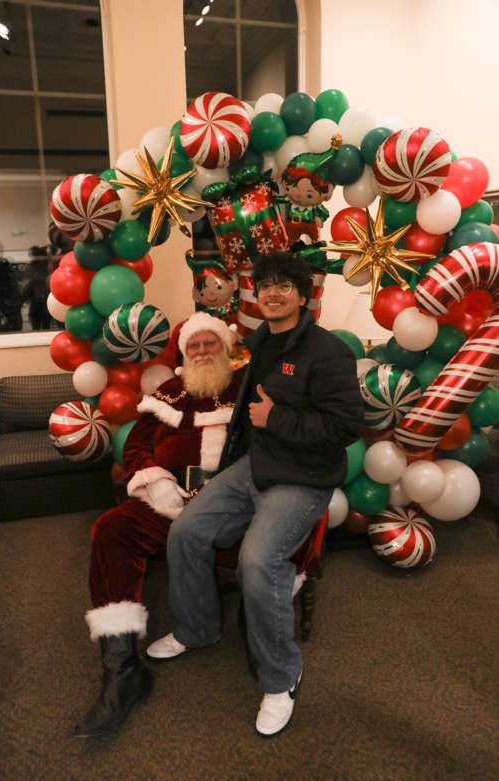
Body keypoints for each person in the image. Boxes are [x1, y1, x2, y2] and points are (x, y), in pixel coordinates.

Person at [147, 251, 364, 737]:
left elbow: (348, 427)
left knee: (257, 560)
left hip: (303, 476)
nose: (272, 292)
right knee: (186, 529)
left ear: (303, 295)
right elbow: (245, 408)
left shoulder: (329, 353)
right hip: (255, 466)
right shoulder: (260, 340)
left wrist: (277, 420)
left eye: (284, 285)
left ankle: (282, 676)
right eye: (265, 284)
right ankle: (196, 629)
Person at [75, 312, 244, 738]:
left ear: (226, 348)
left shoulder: (246, 390)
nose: (203, 351)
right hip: (165, 504)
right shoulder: (170, 392)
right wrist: (155, 478)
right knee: (110, 530)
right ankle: (122, 665)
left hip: (229, 509)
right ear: (183, 354)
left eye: (211, 343)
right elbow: (135, 445)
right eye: (195, 346)